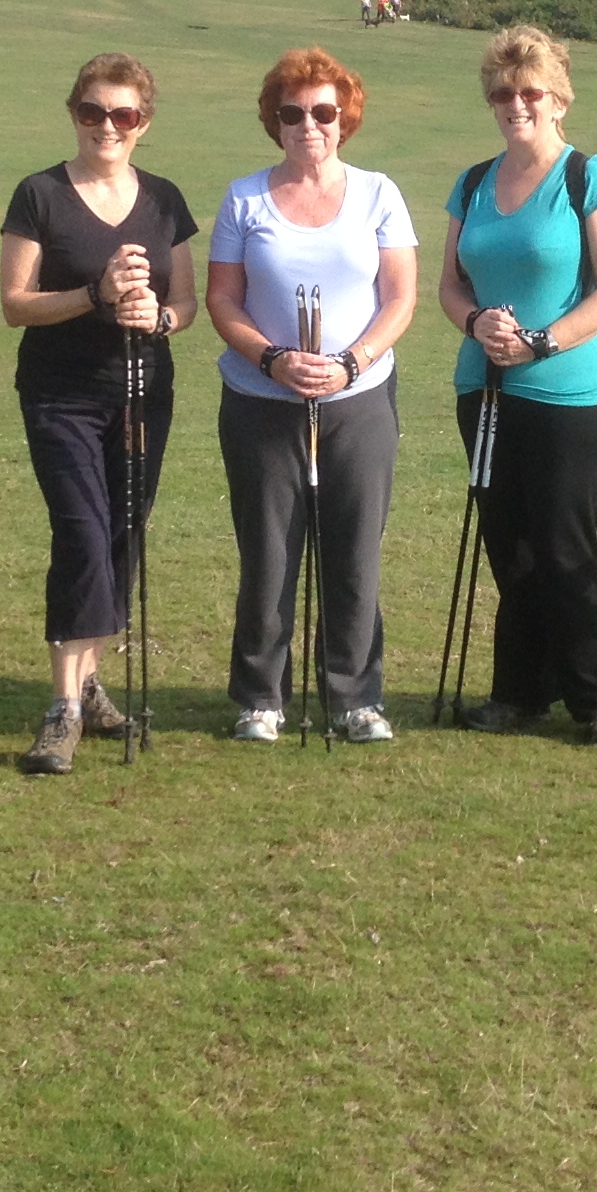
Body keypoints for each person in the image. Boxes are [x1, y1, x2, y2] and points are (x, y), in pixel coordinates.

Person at [205, 47, 420, 742]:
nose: (308, 126)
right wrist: (270, 359)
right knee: (268, 551)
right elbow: (222, 299)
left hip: (358, 399)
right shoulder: (244, 197)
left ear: (344, 118)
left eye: (323, 112)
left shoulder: (379, 193)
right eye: (292, 113)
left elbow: (401, 297)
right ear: (275, 120)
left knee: (353, 548)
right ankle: (260, 697)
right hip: (262, 401)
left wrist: (352, 363)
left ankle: (355, 696)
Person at [0, 53, 200, 775]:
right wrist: (97, 295)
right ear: (73, 113)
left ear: (143, 122)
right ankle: (62, 708)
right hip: (60, 394)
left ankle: (89, 682)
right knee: (81, 531)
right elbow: (15, 304)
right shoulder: (40, 195)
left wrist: (160, 316)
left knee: (121, 530)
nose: (106, 126)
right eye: (92, 112)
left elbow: (187, 302)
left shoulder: (165, 199)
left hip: (144, 390)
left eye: (123, 115)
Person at [435, 24, 597, 741]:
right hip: (485, 391)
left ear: (557, 100)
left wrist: (542, 342)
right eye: (502, 93)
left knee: (563, 543)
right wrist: (477, 323)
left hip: (568, 394)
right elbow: (451, 287)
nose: (515, 104)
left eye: (530, 92)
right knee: (509, 547)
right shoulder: (472, 184)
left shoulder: (586, 176)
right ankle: (518, 694)